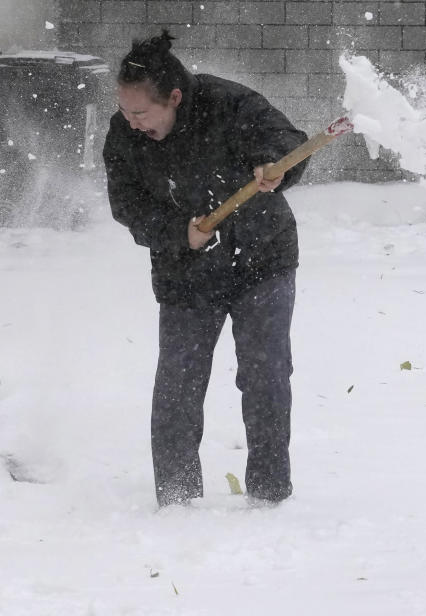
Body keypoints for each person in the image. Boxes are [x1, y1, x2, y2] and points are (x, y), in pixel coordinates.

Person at [103, 30, 309, 508]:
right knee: (178, 380)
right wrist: (181, 232)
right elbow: (127, 203)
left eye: (141, 113)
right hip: (186, 271)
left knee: (266, 374)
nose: (132, 122)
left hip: (262, 258)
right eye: (126, 111)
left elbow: (286, 142)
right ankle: (177, 499)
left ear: (174, 97)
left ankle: (270, 494)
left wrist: (274, 166)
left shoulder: (227, 102)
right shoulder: (124, 134)